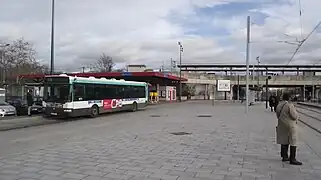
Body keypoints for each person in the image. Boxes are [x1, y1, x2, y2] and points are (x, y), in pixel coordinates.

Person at [275, 93, 302, 165]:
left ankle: (284, 156)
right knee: (293, 140)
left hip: (281, 125)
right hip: (290, 125)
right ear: (289, 98)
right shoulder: (289, 105)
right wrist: (297, 116)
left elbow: (277, 115)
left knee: (284, 139)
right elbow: (294, 116)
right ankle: (292, 159)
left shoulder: (279, 105)